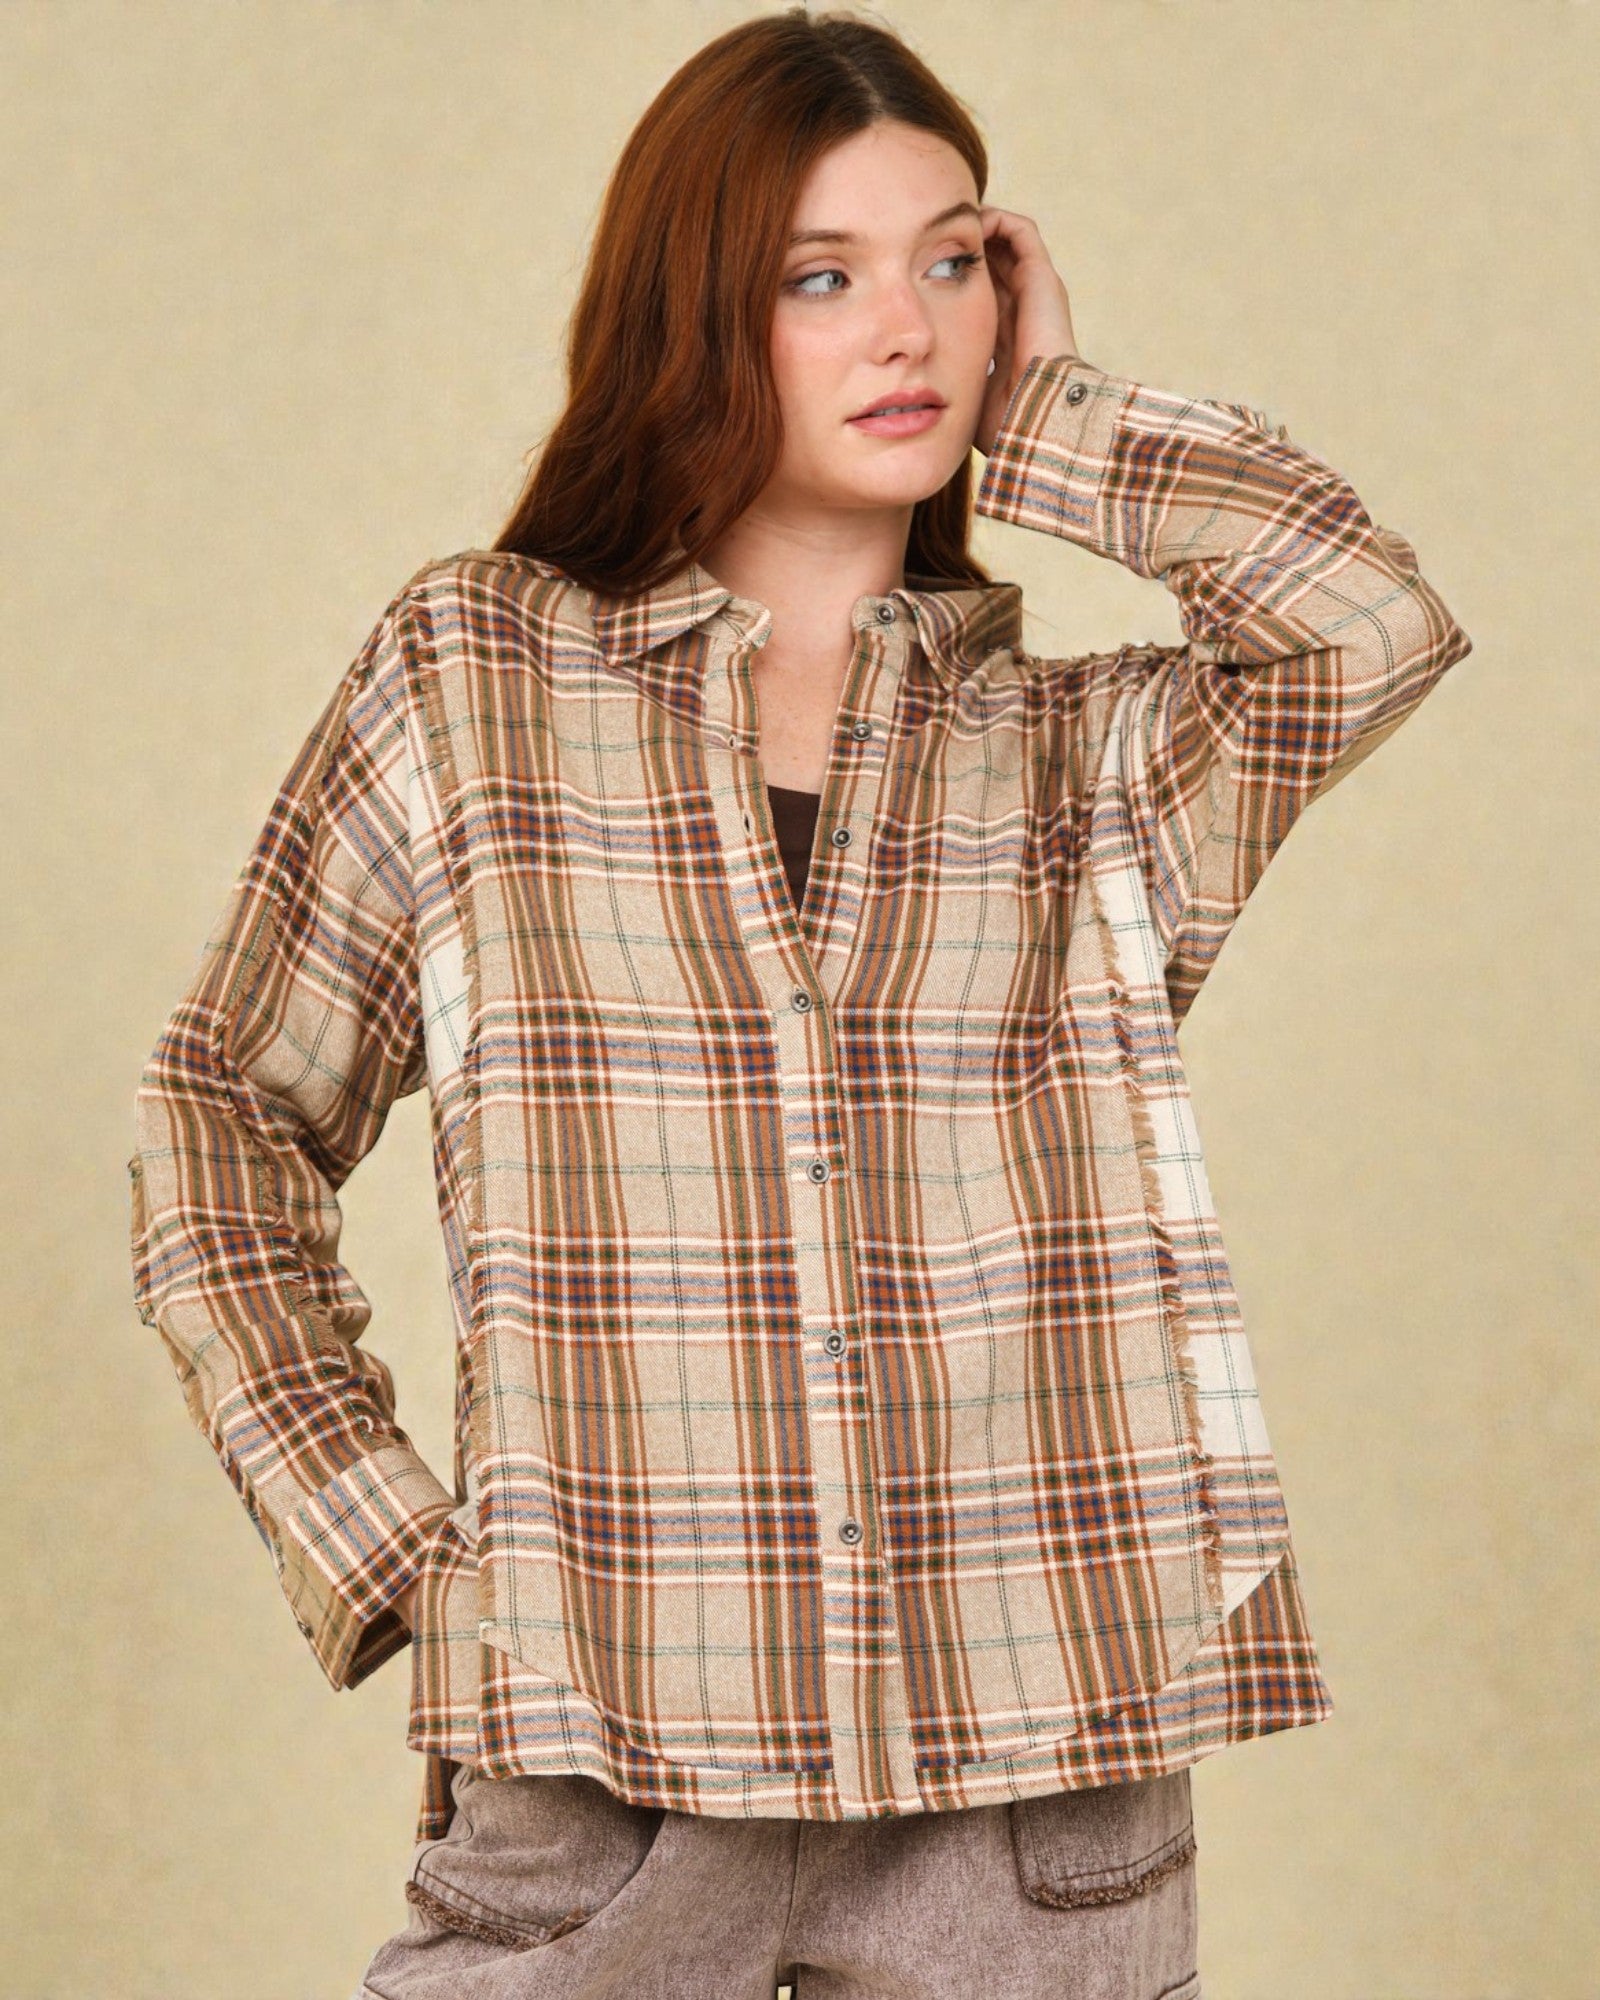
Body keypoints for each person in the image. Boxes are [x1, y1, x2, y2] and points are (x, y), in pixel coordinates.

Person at [126, 10, 1471, 1998]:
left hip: (1032, 1782)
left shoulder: (1088, 762)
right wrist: (388, 1539)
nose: (905, 329)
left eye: (953, 261)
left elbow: (1367, 621)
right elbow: (224, 1116)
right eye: (816, 278)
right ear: (693, 313)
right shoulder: (478, 679)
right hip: (601, 1773)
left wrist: (1056, 415)